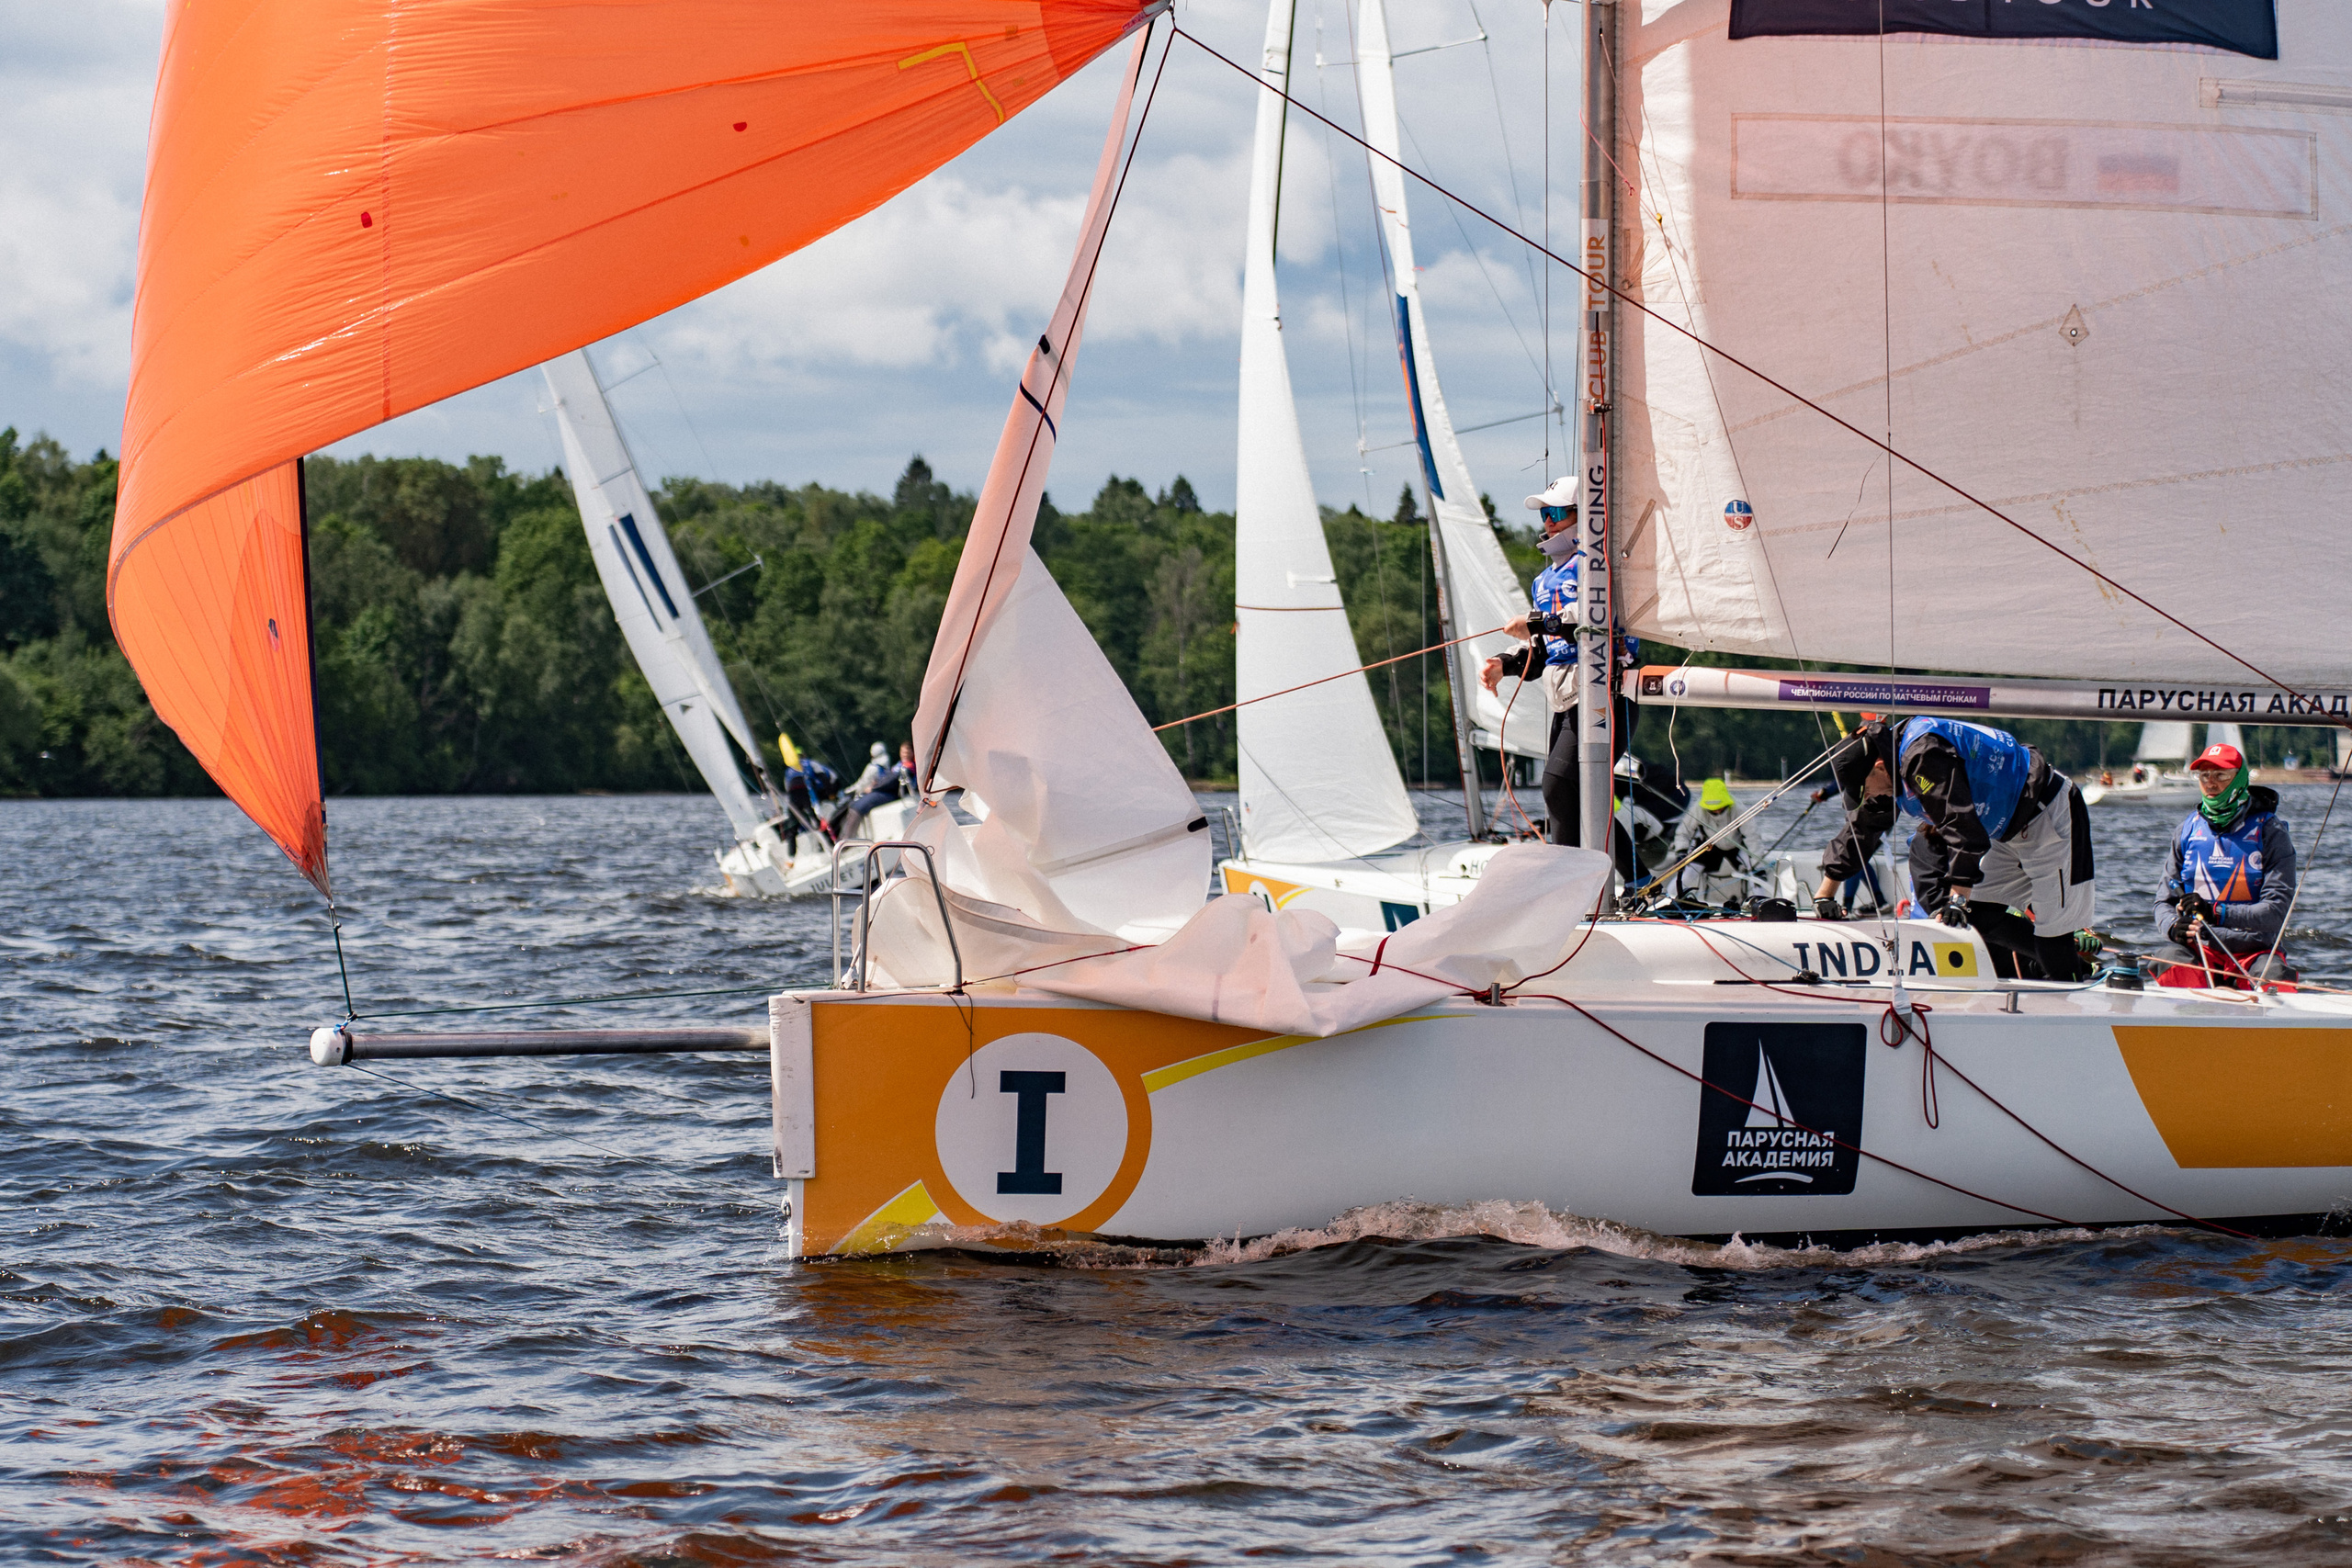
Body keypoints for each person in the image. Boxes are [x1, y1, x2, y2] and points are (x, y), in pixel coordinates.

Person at [1823, 716, 2096, 978]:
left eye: (1865, 787)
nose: (1869, 794)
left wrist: (1957, 900)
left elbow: (1961, 826)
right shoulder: (1890, 759)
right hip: (2008, 829)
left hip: (2049, 813)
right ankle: (2060, 964)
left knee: (2052, 936)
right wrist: (1826, 896)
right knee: (1978, 917)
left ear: (1880, 766)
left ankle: (2070, 978)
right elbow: (1863, 828)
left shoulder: (1922, 754)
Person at [1479, 477, 1634, 875]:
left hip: (1605, 692)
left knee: (1560, 787)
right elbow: (1544, 652)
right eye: (1544, 515)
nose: (1548, 522)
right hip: (1566, 698)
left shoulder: (1597, 566)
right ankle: (1624, 882)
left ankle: (1581, 885)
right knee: (1573, 795)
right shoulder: (1543, 579)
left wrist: (1536, 623)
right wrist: (1505, 664)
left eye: (1556, 513)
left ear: (1584, 517)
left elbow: (1590, 621)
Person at [2151, 741, 2297, 986]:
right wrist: (2173, 926)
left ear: (2238, 780)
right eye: (2204, 775)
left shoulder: (2271, 832)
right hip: (2201, 948)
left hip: (2254, 951)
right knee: (2167, 960)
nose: (2210, 782)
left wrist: (2216, 912)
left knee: (2276, 977)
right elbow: (2163, 902)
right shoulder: (2186, 830)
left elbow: (2276, 912)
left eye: (2220, 775)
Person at [1669, 778, 1753, 908]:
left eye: (1720, 808)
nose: (1717, 811)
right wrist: (1681, 852)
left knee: (1756, 873)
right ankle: (1672, 899)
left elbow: (1752, 837)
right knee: (1686, 872)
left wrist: (1756, 861)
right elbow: (1683, 832)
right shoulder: (1697, 809)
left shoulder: (1739, 808)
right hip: (1709, 846)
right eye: (1713, 809)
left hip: (1736, 846)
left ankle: (1757, 902)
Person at [832, 741, 916, 840]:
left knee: (858, 806)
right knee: (853, 805)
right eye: (903, 752)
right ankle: (842, 838)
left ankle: (847, 839)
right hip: (882, 791)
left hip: (890, 793)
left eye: (907, 752)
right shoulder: (899, 765)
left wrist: (873, 788)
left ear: (912, 753)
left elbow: (892, 781)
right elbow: (888, 778)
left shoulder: (908, 767)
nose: (904, 754)